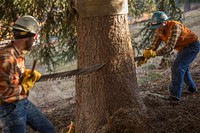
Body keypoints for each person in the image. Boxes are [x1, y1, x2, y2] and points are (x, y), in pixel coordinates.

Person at [0, 15, 56, 133]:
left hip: (22, 102)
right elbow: (4, 93)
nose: (34, 41)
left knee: (49, 130)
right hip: (10, 109)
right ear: (28, 37)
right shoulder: (7, 58)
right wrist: (24, 86)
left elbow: (11, 77)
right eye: (34, 38)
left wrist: (24, 75)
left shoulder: (18, 53)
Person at [143, 11, 200, 101]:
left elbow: (169, 47)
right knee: (182, 68)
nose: (157, 29)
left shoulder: (175, 27)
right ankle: (192, 88)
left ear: (164, 22)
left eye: (158, 27)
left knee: (177, 68)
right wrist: (147, 55)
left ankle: (175, 95)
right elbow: (154, 45)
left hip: (192, 46)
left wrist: (155, 53)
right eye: (155, 27)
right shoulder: (159, 29)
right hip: (183, 48)